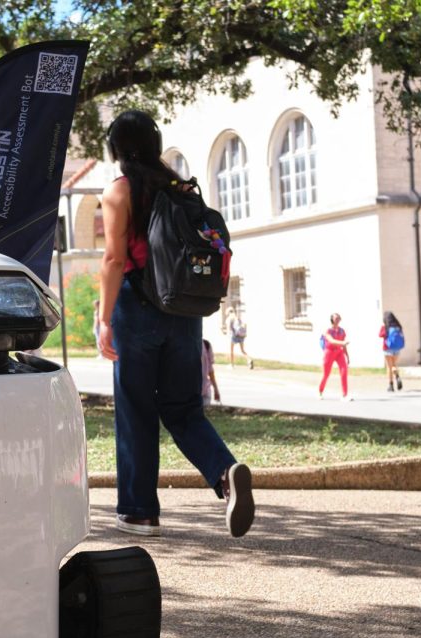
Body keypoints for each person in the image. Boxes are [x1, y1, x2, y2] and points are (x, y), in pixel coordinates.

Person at [96, 109, 255, 538]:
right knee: (184, 409)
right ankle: (225, 472)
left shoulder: (120, 191)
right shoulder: (182, 188)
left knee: (136, 410)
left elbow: (113, 260)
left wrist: (103, 317)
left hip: (137, 307)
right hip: (184, 312)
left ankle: (139, 511)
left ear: (115, 148)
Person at [318, 313, 351, 400]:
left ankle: (345, 395)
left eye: (339, 318)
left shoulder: (342, 331)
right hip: (329, 352)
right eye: (336, 318)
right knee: (326, 374)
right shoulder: (328, 331)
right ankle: (320, 391)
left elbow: (344, 345)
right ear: (332, 319)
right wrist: (342, 343)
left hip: (339, 352)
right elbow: (331, 341)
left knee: (344, 371)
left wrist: (347, 355)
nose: (338, 320)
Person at [378, 311, 404, 393]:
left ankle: (391, 385)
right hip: (396, 349)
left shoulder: (385, 327)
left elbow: (380, 335)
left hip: (387, 348)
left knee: (389, 367)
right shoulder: (398, 326)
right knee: (394, 365)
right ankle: (397, 376)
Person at [201, 339, 221, 406]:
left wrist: (216, 389)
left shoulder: (206, 344)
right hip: (188, 394)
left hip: (205, 391)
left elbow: (210, 370)